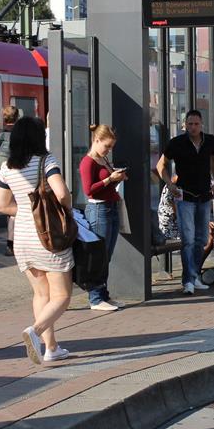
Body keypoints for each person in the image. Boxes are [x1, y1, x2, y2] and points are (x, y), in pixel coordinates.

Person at [0, 116, 75, 364]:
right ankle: (35, 331)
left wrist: (30, 214)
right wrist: (66, 210)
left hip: (23, 239)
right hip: (49, 239)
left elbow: (1, 205)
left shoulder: (7, 167)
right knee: (62, 296)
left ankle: (50, 348)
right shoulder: (46, 161)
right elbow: (61, 193)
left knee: (41, 295)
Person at [156, 110, 214, 294]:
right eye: (190, 124)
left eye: (196, 124)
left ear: (201, 125)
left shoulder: (210, 141)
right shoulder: (177, 143)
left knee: (201, 239)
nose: (193, 127)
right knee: (188, 239)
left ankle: (194, 275)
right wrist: (170, 185)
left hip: (204, 195)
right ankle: (188, 281)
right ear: (185, 125)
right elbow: (161, 165)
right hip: (185, 196)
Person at [80, 124, 126, 312]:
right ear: (96, 140)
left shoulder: (103, 159)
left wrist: (117, 176)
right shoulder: (88, 162)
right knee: (99, 256)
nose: (109, 150)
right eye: (106, 145)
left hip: (110, 207)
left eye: (111, 146)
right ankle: (96, 297)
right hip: (98, 210)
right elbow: (88, 190)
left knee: (107, 255)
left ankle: (103, 294)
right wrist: (110, 179)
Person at [0, 105, 19, 255]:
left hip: (0, 173)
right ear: (17, 117)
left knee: (7, 208)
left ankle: (10, 244)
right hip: (16, 173)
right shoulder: (20, 135)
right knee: (14, 209)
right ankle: (11, 242)